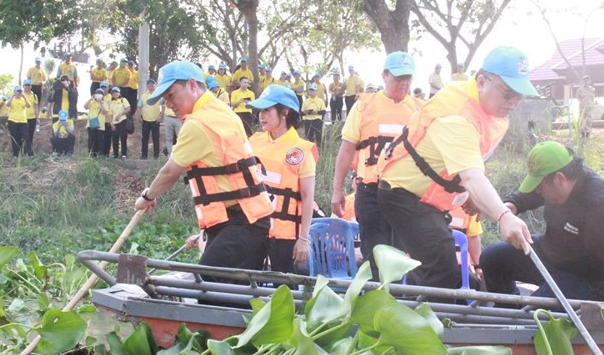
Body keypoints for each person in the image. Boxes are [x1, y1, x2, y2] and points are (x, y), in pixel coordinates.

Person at [376, 46, 534, 289]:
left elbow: (467, 164)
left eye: (519, 95)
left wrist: (469, 194)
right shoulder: (457, 115)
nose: (513, 102)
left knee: (437, 267)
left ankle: (423, 316)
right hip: (403, 193)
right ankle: (435, 325)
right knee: (441, 266)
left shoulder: (489, 111)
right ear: (482, 82)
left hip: (430, 200)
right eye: (507, 93)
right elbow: (471, 175)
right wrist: (503, 215)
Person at [134, 60, 273, 273]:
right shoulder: (220, 110)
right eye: (165, 99)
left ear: (192, 85)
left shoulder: (198, 124)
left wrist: (147, 197)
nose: (169, 104)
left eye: (171, 95)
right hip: (245, 218)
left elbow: (169, 172)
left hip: (243, 221)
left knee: (208, 284)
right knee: (230, 295)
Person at [479, 141, 604, 302]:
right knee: (491, 258)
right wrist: (512, 204)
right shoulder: (561, 179)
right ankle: (508, 313)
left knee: (534, 310)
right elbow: (532, 194)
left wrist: (600, 303)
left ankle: (522, 319)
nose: (537, 191)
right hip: (551, 253)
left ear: (559, 179)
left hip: (583, 275)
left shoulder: (601, 201)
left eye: (539, 186)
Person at [331, 52, 419, 268]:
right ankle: (374, 299)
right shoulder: (363, 105)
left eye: (408, 78)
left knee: (400, 258)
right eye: (398, 77)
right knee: (374, 257)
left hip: (406, 194)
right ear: (384, 76)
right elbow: (346, 149)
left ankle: (396, 299)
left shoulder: (420, 110)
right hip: (371, 192)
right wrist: (337, 189)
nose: (403, 83)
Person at [248, 84, 318, 273]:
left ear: (284, 112)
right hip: (253, 229)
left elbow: (307, 197)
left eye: (267, 110)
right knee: (247, 284)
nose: (261, 115)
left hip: (285, 235)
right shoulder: (253, 142)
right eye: (260, 110)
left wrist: (303, 238)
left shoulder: (302, 150)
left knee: (285, 290)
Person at [5, 85, 34, 156]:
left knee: (26, 137)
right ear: (14, 91)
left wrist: (24, 97)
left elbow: (29, 105)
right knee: (15, 138)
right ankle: (16, 154)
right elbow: (7, 104)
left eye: (20, 91)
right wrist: (12, 96)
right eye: (17, 91)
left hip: (23, 121)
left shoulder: (23, 99)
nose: (18, 93)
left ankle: (30, 153)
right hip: (13, 121)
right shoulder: (11, 99)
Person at [138, 78, 163, 159]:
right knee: (144, 139)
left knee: (156, 138)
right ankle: (144, 155)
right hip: (145, 120)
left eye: (152, 84)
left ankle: (156, 156)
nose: (151, 85)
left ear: (155, 85)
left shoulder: (159, 95)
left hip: (155, 120)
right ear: (147, 86)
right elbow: (139, 107)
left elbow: (163, 106)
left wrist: (160, 116)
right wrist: (139, 117)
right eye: (149, 84)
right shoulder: (143, 96)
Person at [108, 86, 131, 158]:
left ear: (119, 93)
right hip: (114, 123)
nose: (115, 94)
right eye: (113, 93)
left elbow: (128, 109)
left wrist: (121, 113)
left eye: (116, 92)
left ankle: (124, 154)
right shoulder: (111, 103)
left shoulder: (123, 100)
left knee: (123, 137)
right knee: (115, 138)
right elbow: (111, 114)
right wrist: (111, 123)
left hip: (122, 121)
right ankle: (115, 154)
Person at [85, 87, 108, 156]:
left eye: (100, 94)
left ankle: (100, 154)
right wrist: (90, 99)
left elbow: (105, 112)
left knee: (100, 140)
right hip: (91, 124)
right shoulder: (92, 102)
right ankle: (91, 154)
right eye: (97, 93)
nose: (98, 95)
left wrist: (101, 103)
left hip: (100, 125)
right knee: (92, 139)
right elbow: (85, 107)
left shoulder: (104, 103)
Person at [21, 79, 40, 151]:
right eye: (26, 85)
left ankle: (28, 149)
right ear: (23, 86)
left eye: (28, 85)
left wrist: (37, 117)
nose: (27, 87)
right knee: (23, 134)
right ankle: (22, 149)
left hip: (32, 118)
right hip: (22, 118)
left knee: (30, 134)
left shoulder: (34, 96)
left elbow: (36, 107)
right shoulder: (21, 95)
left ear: (31, 86)